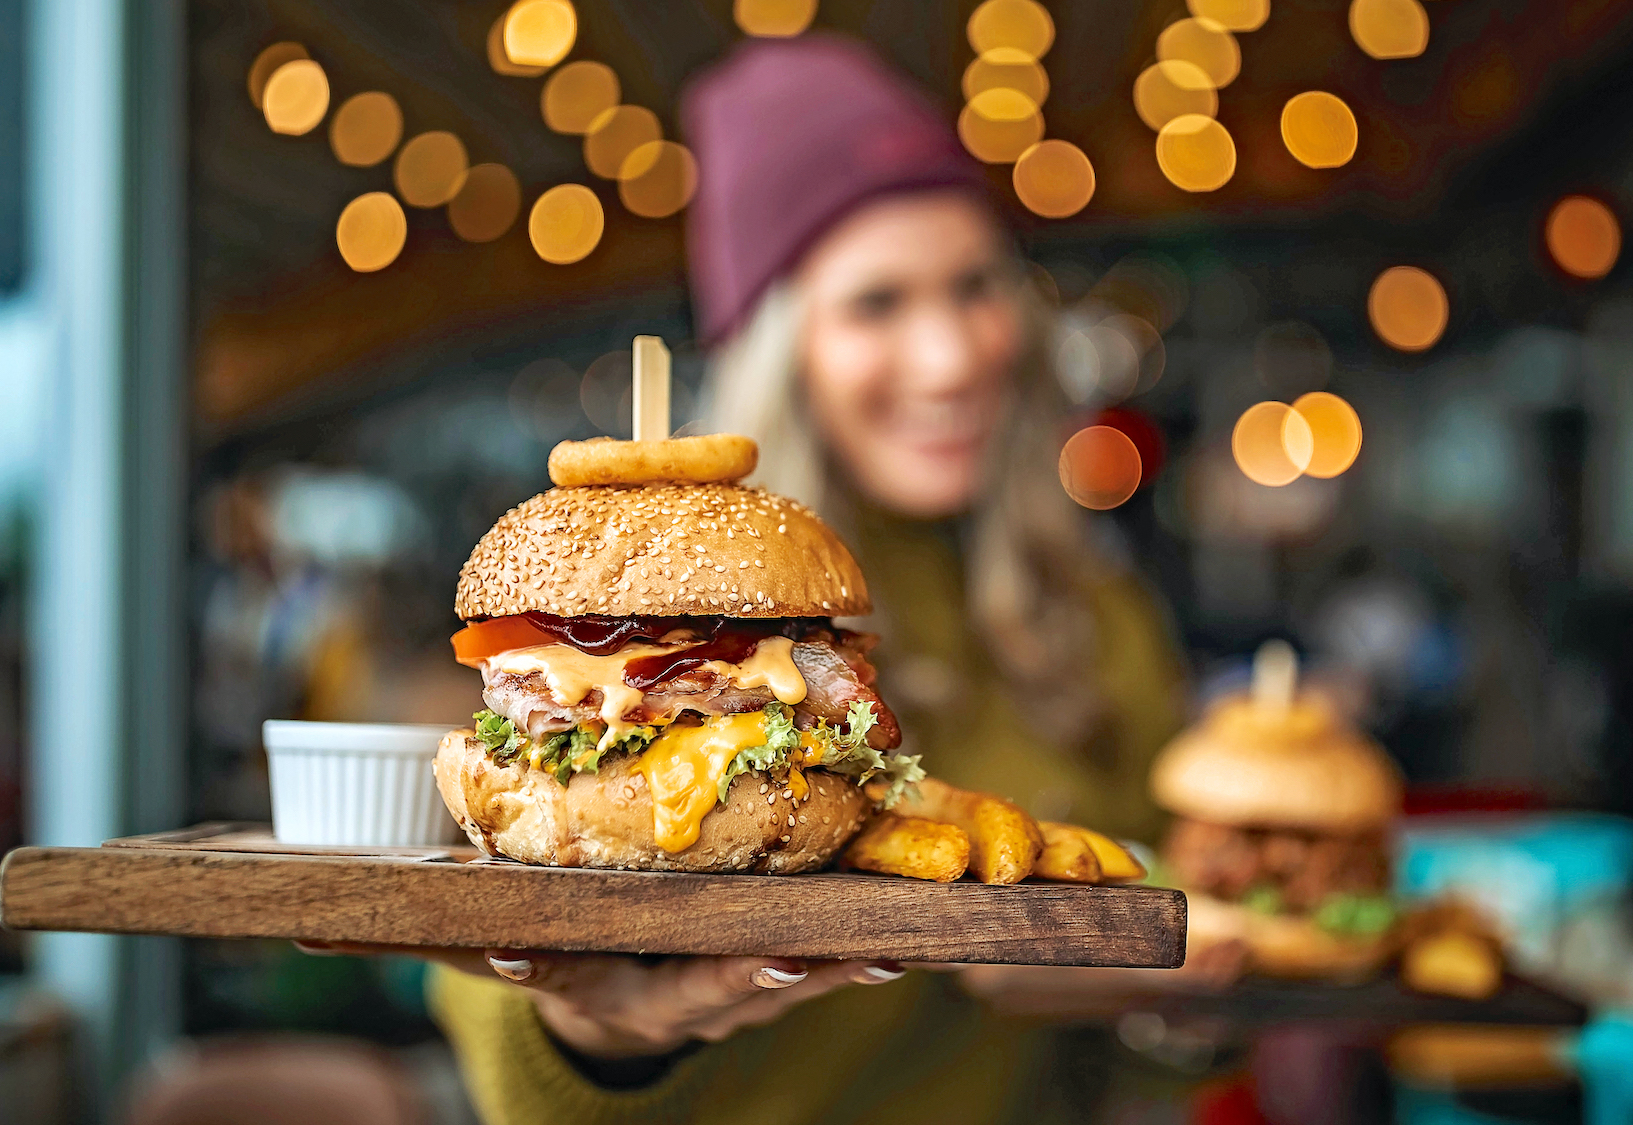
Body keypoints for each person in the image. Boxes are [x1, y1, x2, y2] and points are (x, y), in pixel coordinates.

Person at [424, 36, 1203, 1125]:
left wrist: (1168, 1004)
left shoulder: (1100, 618)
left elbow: (1159, 1040)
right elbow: (505, 1060)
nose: (948, 356)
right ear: (781, 347)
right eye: (875, 303)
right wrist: (597, 1030)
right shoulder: (645, 555)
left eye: (975, 284)